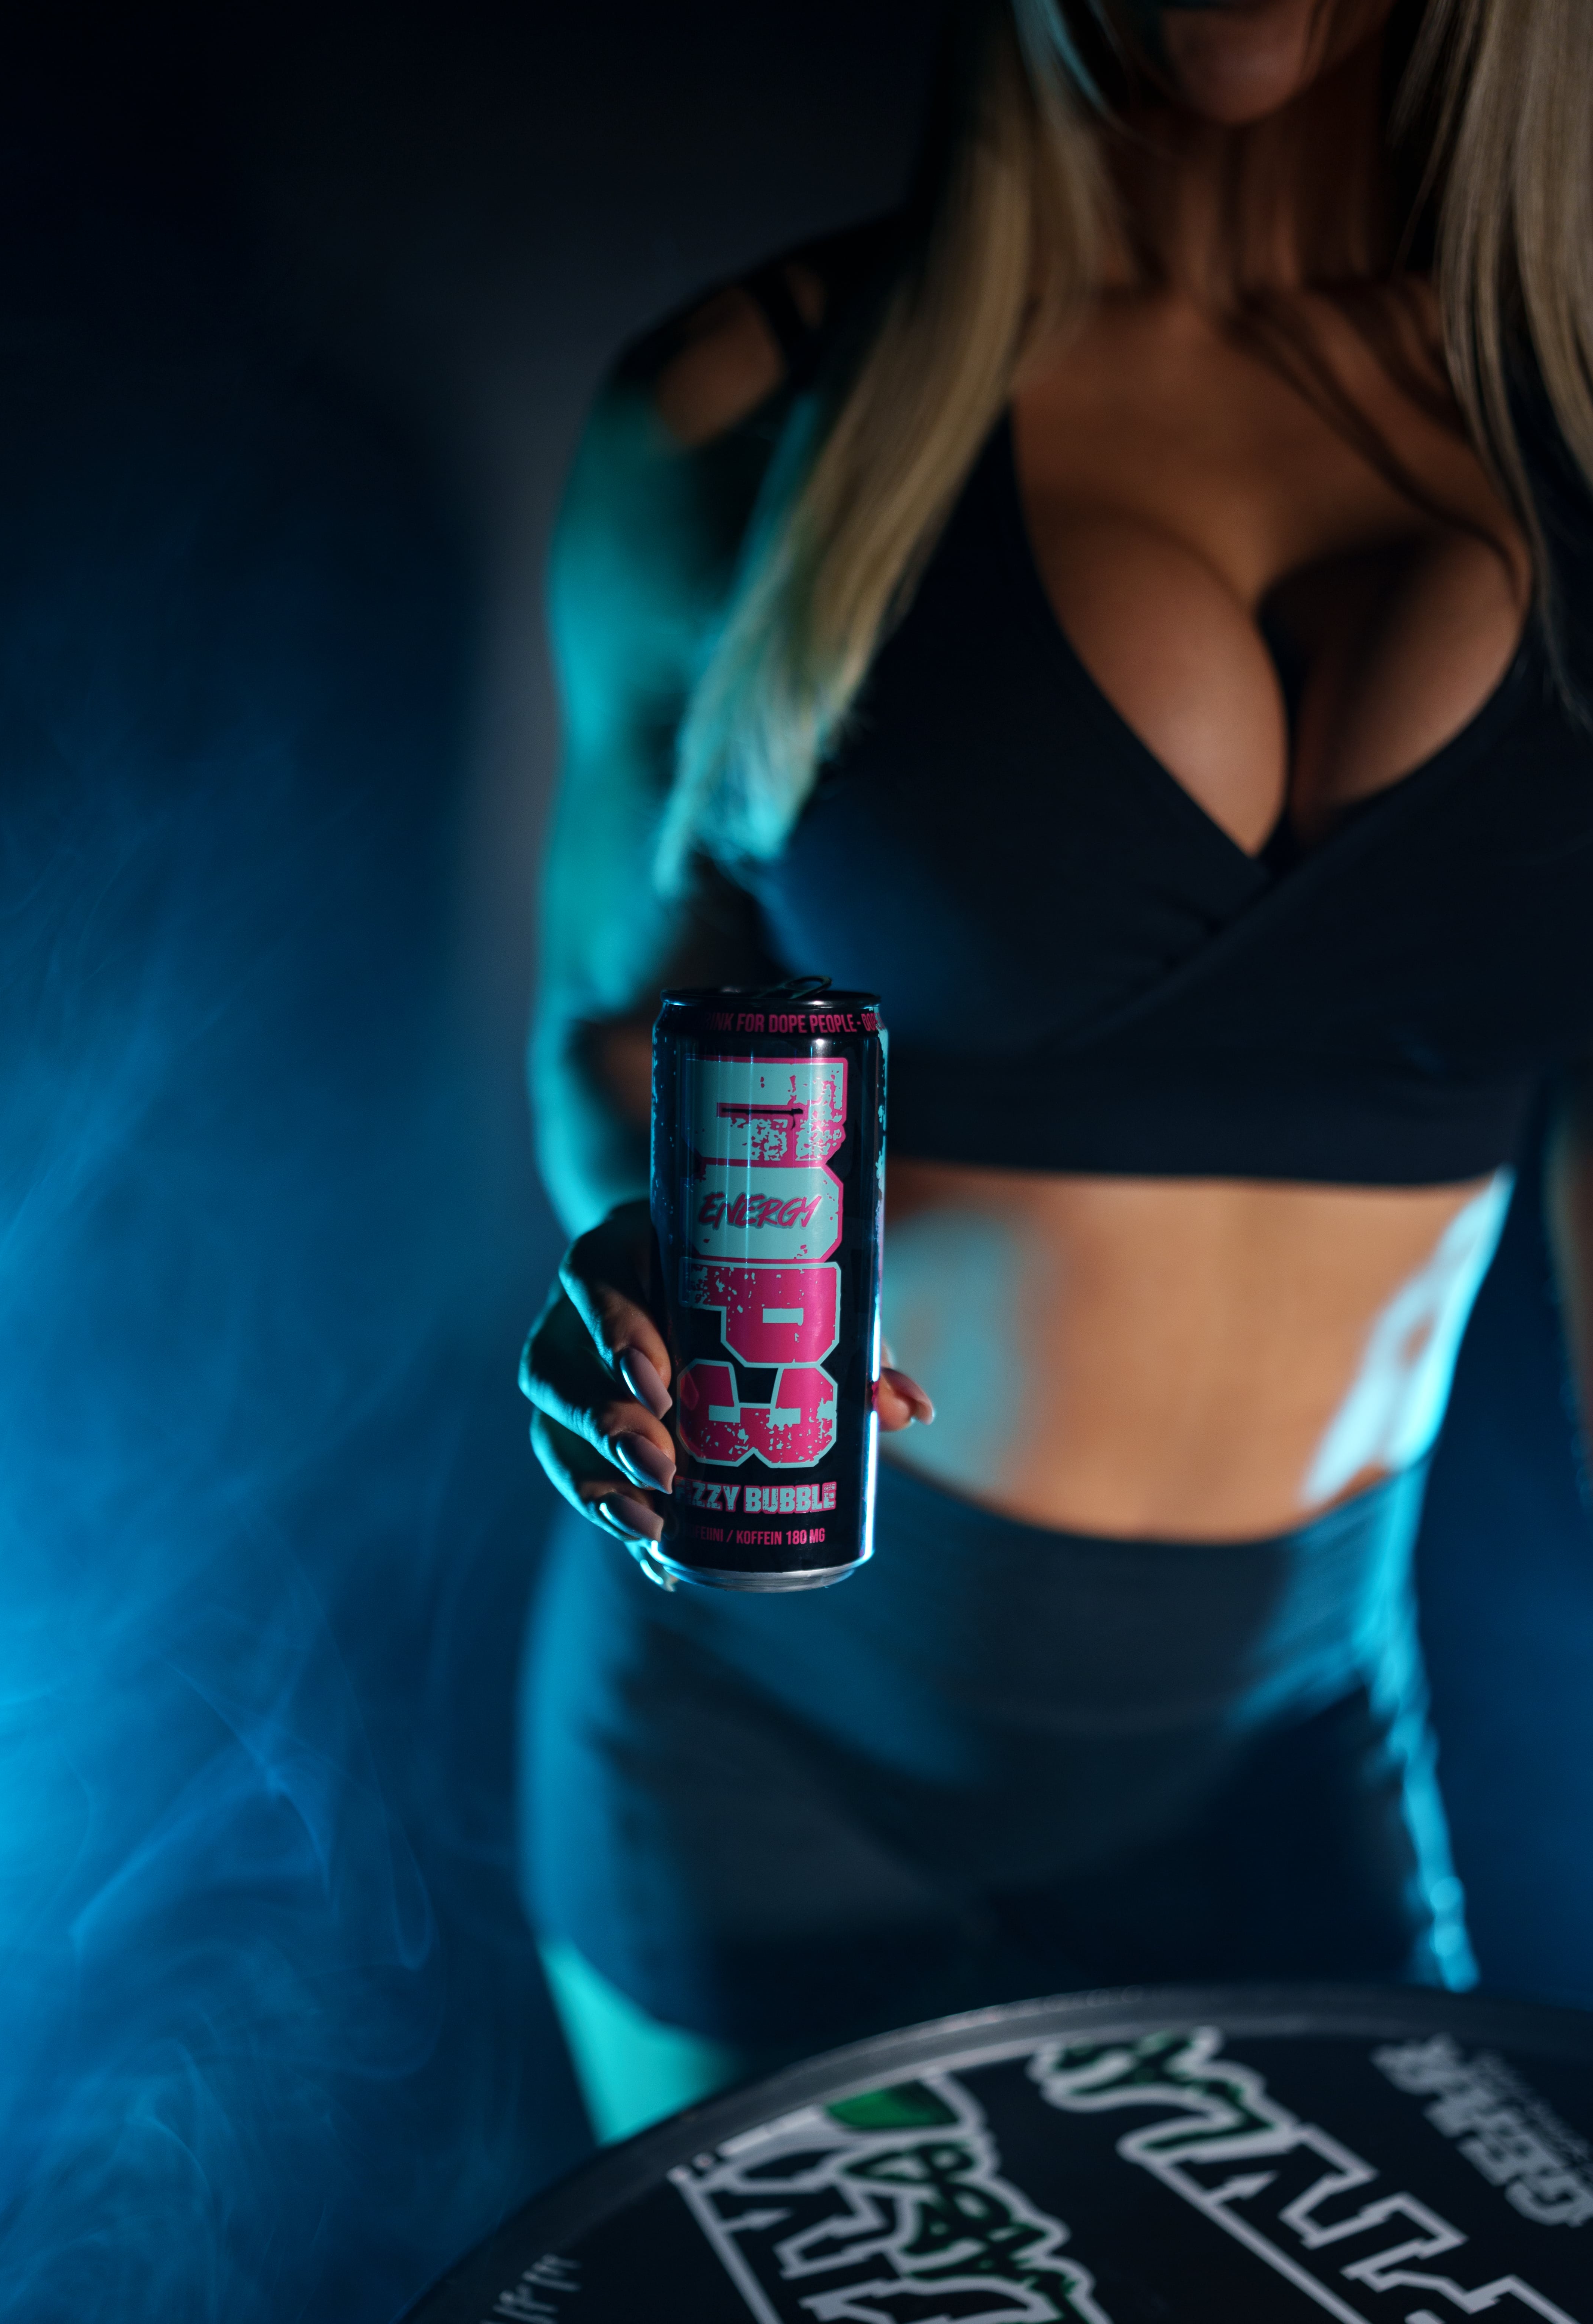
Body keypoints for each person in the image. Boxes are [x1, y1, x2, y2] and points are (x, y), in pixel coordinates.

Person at [517, 0, 1593, 2143]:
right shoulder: (749, 411)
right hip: (765, 1750)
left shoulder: (1570, 418)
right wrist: (634, 1280)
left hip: (1293, 1759)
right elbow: (618, 1027)